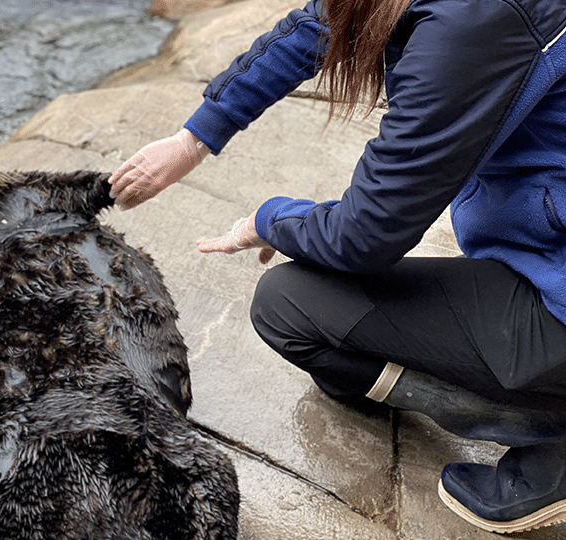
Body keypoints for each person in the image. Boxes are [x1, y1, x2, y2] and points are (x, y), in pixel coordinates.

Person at [108, 0, 566, 533]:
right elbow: (320, 24)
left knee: (290, 306)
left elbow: (366, 234)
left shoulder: (474, 22)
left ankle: (550, 432)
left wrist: (268, 218)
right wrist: (195, 137)